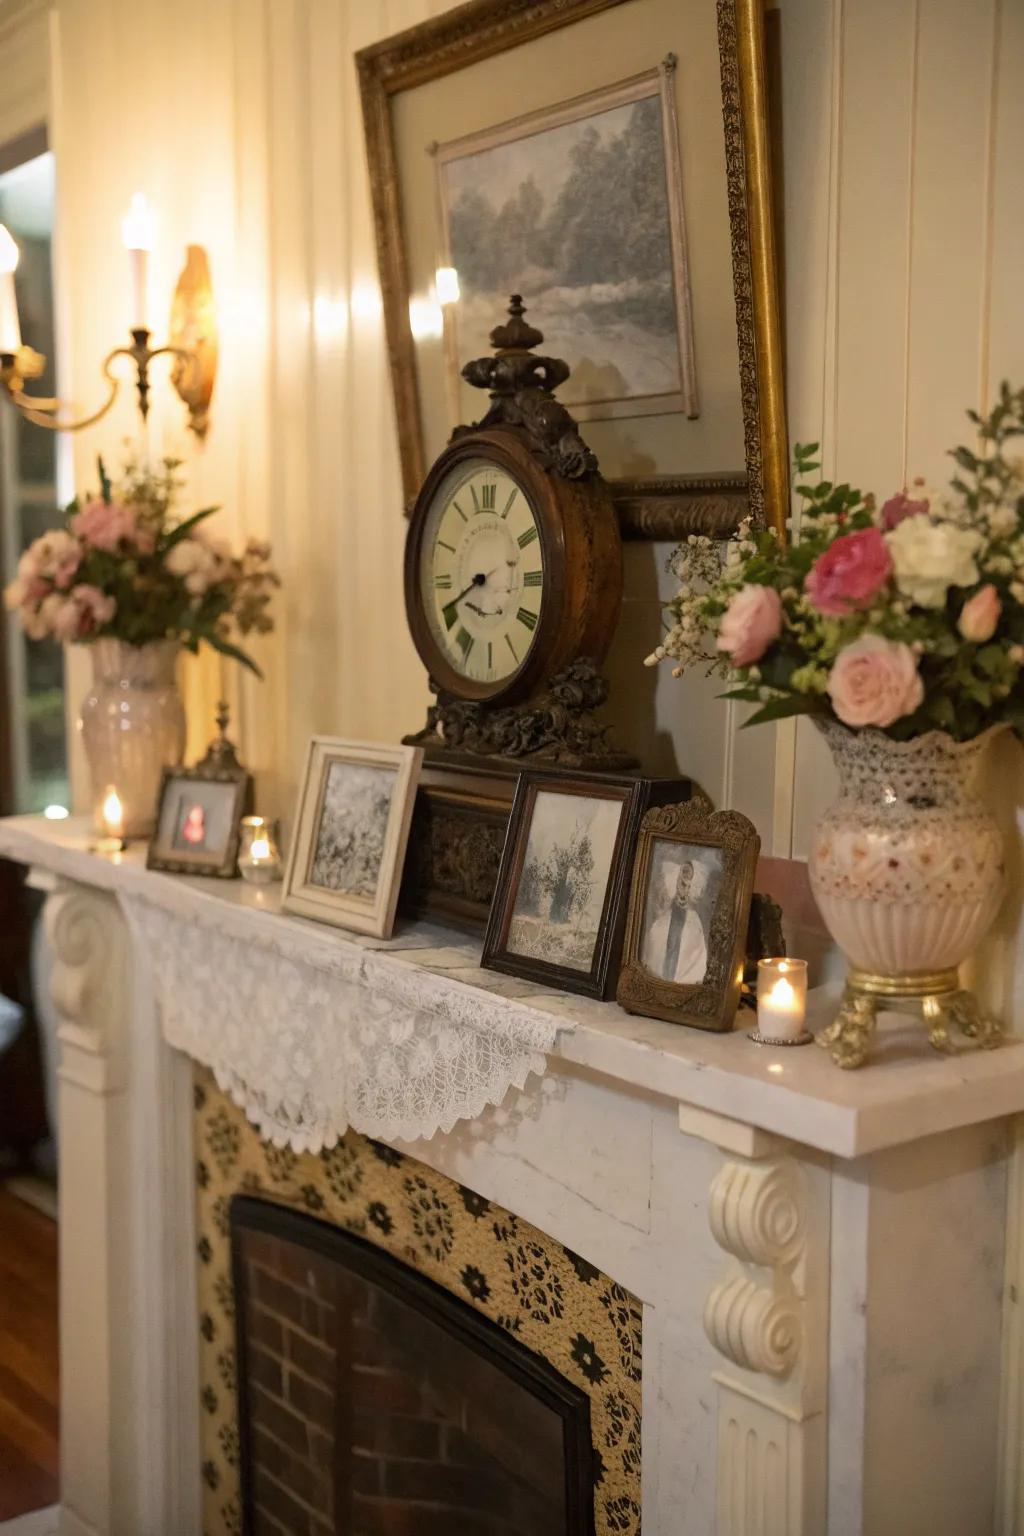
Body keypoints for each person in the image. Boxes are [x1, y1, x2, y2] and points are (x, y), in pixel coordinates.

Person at [642, 857, 708, 984]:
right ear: (676, 882)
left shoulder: (695, 923)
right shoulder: (661, 922)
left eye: (690, 886)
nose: (686, 891)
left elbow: (698, 962)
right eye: (683, 884)